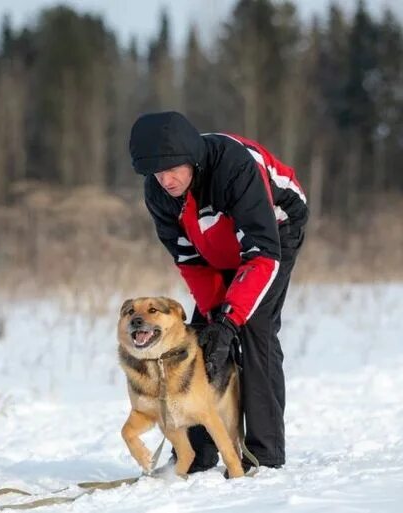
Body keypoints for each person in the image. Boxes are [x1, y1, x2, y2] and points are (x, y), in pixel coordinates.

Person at [128, 111, 308, 473]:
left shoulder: (234, 168)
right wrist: (215, 317)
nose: (166, 180)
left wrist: (230, 321)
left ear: (192, 157)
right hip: (215, 248)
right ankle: (198, 452)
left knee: (254, 328)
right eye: (157, 173)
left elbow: (262, 255)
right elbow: (190, 260)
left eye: (173, 169)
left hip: (273, 236)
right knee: (201, 338)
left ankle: (263, 454)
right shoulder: (159, 192)